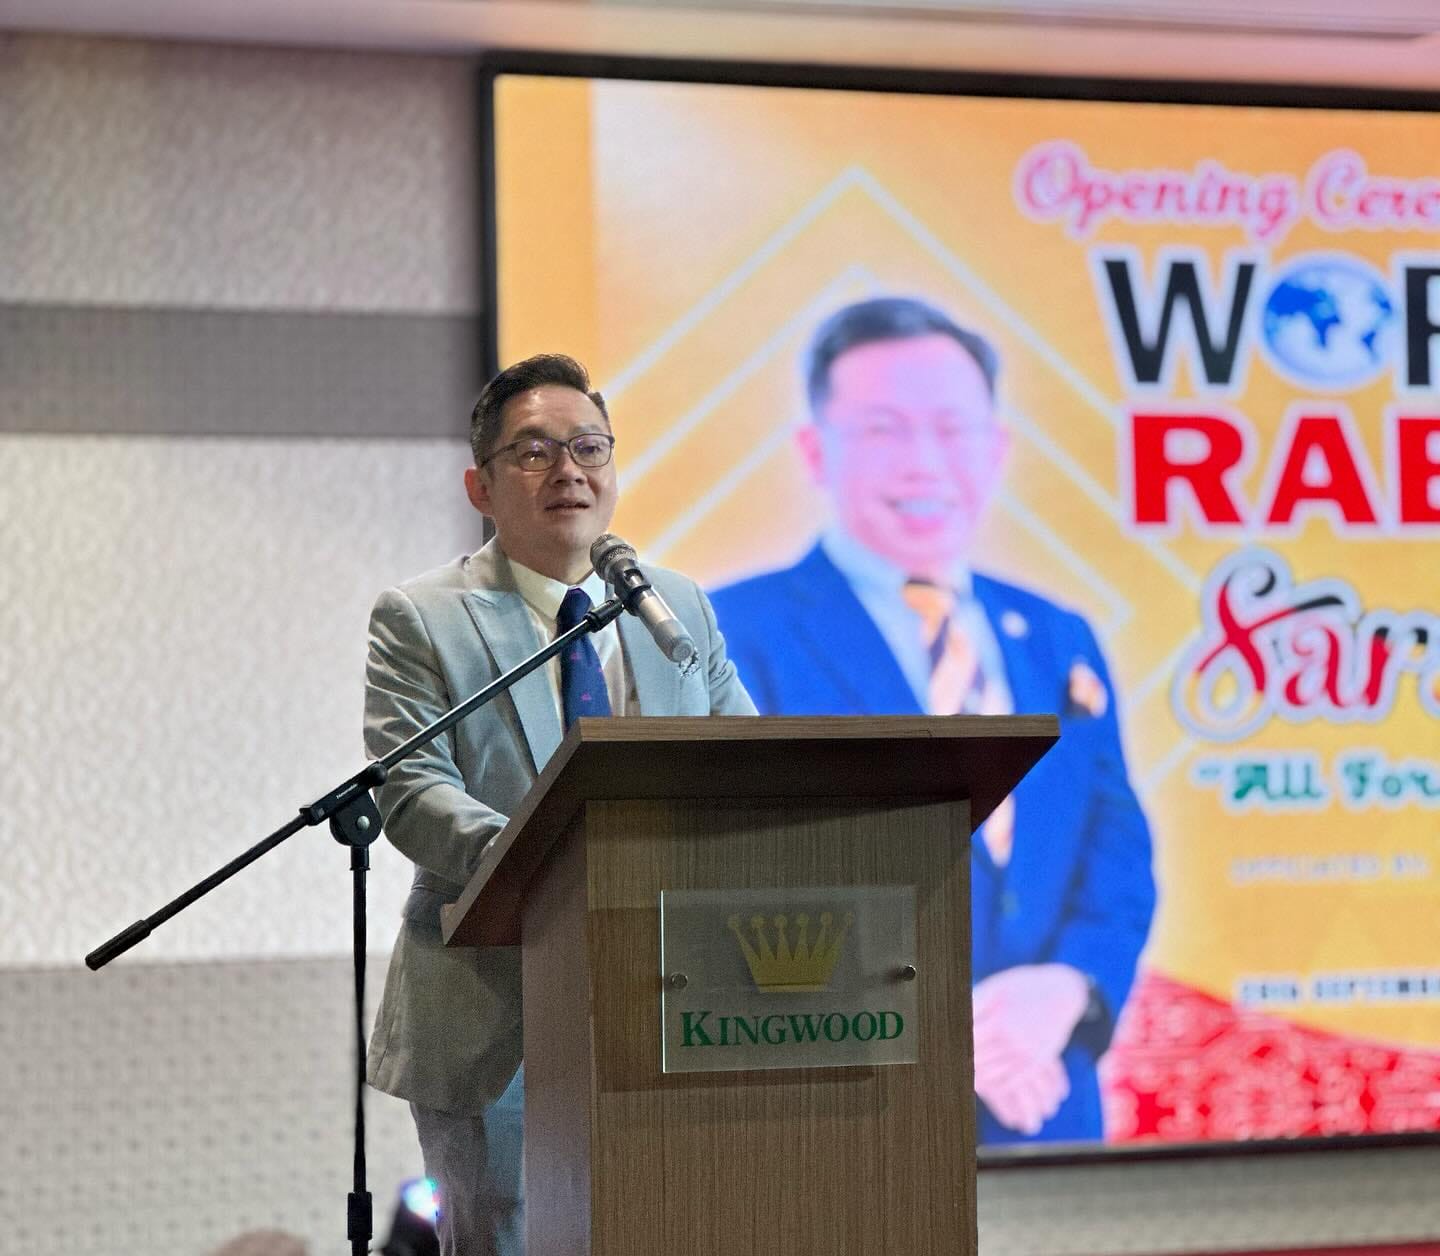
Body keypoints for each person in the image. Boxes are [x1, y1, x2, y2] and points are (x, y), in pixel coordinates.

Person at [709, 297, 1155, 1146]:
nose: (924, 463)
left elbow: (1117, 854)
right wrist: (941, 1028)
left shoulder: (1057, 635)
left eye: (953, 430)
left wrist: (1065, 990)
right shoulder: (730, 634)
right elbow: (729, 877)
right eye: (883, 430)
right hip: (846, 1119)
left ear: (997, 450)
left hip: (1045, 1104)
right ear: (815, 451)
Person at [363, 353, 755, 1254]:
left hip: (672, 994)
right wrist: (552, 858)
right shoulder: (424, 617)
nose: (569, 471)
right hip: (496, 1003)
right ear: (481, 486)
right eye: (535, 452)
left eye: (589, 448)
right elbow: (413, 788)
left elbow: (745, 762)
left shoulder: (675, 607)